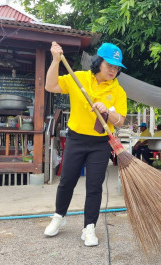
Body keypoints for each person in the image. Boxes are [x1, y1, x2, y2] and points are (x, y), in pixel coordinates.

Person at [44, 42, 127, 246]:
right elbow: (50, 86)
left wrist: (107, 112)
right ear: (98, 62)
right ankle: (59, 217)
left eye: (117, 67)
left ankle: (89, 227)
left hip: (100, 143)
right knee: (67, 181)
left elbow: (121, 120)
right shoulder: (78, 77)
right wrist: (55, 61)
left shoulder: (118, 91)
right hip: (76, 139)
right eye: (110, 65)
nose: (113, 70)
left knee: (94, 186)